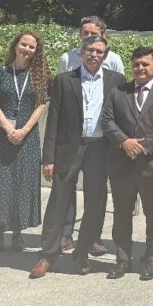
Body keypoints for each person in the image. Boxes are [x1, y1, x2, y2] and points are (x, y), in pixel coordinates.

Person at [30, 35, 125, 278]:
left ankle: (81, 253)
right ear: (82, 52)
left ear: (105, 56)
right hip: (69, 148)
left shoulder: (116, 80)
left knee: (95, 203)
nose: (94, 55)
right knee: (58, 200)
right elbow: (54, 120)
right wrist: (48, 158)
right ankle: (47, 255)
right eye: (90, 50)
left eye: (100, 52)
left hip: (100, 149)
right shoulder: (64, 80)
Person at [101, 47, 153, 281]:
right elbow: (107, 121)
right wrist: (124, 141)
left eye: (145, 64)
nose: (140, 68)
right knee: (121, 215)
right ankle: (122, 260)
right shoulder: (118, 92)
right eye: (136, 64)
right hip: (122, 164)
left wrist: (144, 145)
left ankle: (152, 260)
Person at [54, 15, 121, 256]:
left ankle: (93, 236)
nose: (89, 38)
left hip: (99, 140)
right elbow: (62, 94)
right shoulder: (67, 58)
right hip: (72, 138)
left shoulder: (113, 60)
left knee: (96, 191)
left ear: (103, 35)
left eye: (94, 33)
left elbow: (119, 94)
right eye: (85, 33)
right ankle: (65, 234)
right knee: (66, 188)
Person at [0, 30, 51, 252]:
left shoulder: (39, 75)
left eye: (32, 47)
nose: (27, 49)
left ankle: (18, 234)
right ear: (15, 45)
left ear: (36, 51)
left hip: (27, 138)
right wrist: (8, 128)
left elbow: (41, 104)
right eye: (24, 44)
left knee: (23, 184)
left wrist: (24, 130)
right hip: (2, 135)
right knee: (1, 183)